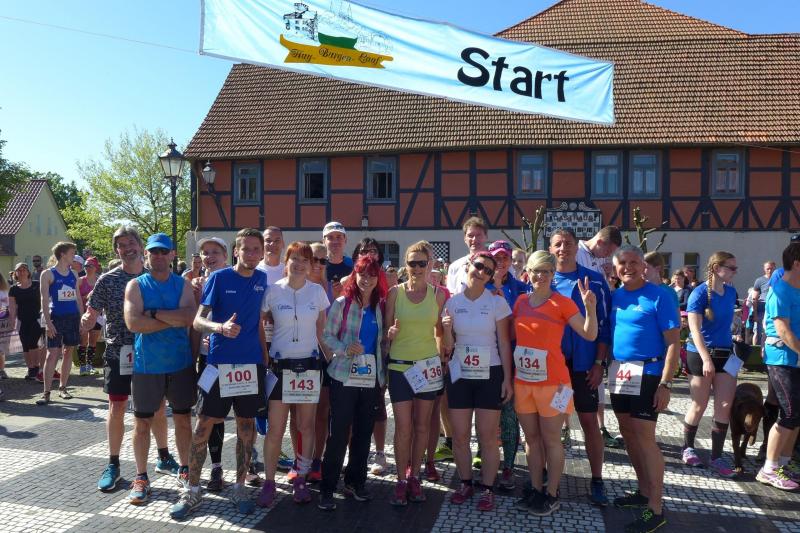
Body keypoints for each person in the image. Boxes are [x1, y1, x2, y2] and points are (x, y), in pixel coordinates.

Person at [171, 228, 269, 519]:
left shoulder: (262, 279)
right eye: (246, 248)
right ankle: (192, 489)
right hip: (219, 364)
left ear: (262, 252)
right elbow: (198, 321)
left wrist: (264, 360)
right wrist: (220, 328)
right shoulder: (219, 278)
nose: (251, 254)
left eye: (256, 249)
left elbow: (258, 322)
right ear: (236, 251)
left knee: (246, 428)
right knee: (203, 426)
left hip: (250, 366)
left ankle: (240, 487)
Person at [82, 226, 181, 491]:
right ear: (117, 250)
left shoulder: (154, 277)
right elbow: (92, 310)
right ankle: (113, 464)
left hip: (151, 353)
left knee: (157, 407)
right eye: (122, 245)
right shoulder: (107, 280)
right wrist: (87, 318)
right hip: (118, 352)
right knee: (116, 408)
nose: (127, 249)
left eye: (131, 243)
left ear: (140, 246)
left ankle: (163, 456)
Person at [512, 251, 597, 516]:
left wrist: (590, 309)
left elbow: (589, 334)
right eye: (535, 270)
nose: (540, 276)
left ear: (552, 275)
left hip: (554, 384)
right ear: (528, 272)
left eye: (546, 271)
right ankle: (536, 489)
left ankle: (552, 493)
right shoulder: (520, 302)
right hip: (524, 382)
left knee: (551, 440)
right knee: (531, 439)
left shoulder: (562, 303)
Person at [609, 245, 680, 533]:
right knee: (627, 433)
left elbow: (673, 342)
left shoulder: (659, 295)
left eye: (634, 262)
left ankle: (656, 508)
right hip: (620, 372)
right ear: (616, 268)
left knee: (645, 438)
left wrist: (666, 383)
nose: (628, 267)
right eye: (623, 263)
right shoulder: (615, 296)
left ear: (643, 266)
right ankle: (642, 491)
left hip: (649, 372)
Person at [123, 233, 196, 505]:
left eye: (164, 251)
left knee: (183, 420)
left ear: (172, 254)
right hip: (147, 365)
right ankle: (141, 476)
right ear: (147, 254)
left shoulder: (183, 284)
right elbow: (134, 323)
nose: (159, 256)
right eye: (154, 252)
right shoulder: (136, 285)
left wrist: (153, 313)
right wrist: (172, 319)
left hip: (179, 363)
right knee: (142, 423)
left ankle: (186, 469)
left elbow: (189, 317)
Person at [258, 242, 330, 507]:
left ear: (310, 265)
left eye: (305, 260)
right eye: (294, 259)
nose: (299, 264)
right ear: (286, 262)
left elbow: (322, 331)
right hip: (280, 366)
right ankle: (269, 482)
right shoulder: (273, 291)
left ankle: (301, 477)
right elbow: (260, 323)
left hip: (308, 366)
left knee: (306, 426)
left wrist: (334, 359)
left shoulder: (317, 292)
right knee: (275, 428)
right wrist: (264, 355)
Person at [442, 251, 513, 511]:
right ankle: (465, 483)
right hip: (460, 374)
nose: (482, 273)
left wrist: (507, 379)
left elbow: (504, 343)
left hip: (490, 373)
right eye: (479, 266)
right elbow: (447, 346)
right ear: (469, 266)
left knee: (487, 436)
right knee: (460, 436)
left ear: (492, 277)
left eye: (488, 271)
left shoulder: (497, 302)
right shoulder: (452, 303)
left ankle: (488, 488)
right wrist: (446, 330)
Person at [318, 255, 388, 510]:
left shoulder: (379, 306)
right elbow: (327, 336)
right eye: (362, 274)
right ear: (355, 275)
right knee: (338, 434)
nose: (367, 279)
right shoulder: (342, 304)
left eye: (372, 275)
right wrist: (345, 349)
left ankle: (355, 482)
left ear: (377, 277)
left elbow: (380, 342)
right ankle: (327, 488)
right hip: (344, 376)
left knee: (363, 432)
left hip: (370, 378)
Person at [548, 229, 612, 506]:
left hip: (584, 367)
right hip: (554, 368)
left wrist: (599, 363)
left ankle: (597, 479)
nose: (563, 248)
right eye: (558, 244)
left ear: (577, 247)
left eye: (568, 244)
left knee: (588, 422)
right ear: (550, 249)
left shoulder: (594, 280)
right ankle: (549, 477)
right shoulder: (543, 279)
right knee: (552, 423)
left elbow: (605, 327)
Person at [385, 241, 446, 506]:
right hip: (399, 367)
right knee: (403, 427)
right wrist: (389, 334)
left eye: (422, 263)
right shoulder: (394, 294)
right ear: (406, 265)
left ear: (430, 264)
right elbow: (385, 332)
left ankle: (415, 476)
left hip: (427, 368)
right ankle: (401, 479)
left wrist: (444, 352)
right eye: (412, 263)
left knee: (422, 426)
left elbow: (441, 332)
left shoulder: (439, 295)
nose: (417, 268)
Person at [682, 252, 740, 477]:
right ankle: (688, 447)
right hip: (700, 354)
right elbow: (694, 330)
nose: (735, 271)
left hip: (725, 353)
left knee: (724, 405)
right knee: (700, 403)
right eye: (731, 267)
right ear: (716, 268)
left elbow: (728, 321)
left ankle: (716, 456)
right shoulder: (699, 293)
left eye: (735, 268)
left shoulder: (731, 291)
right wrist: (706, 359)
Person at [484, 240, 530, 490]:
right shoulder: (480, 285)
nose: (500, 262)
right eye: (496, 258)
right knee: (486, 414)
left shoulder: (521, 289)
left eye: (504, 257)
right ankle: (485, 458)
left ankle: (509, 466)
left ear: (511, 260)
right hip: (484, 358)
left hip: (512, 359)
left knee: (510, 416)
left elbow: (525, 324)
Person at [757, 242, 800, 490]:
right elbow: (782, 329)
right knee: (789, 413)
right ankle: (769, 469)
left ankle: (783, 463)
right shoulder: (780, 291)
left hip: (795, 359)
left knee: (797, 414)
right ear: (797, 263)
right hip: (782, 358)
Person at [575, 226, 622, 448]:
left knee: (595, 385)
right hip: (575, 326)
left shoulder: (601, 260)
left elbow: (605, 292)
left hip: (596, 328)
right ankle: (565, 428)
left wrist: (608, 276)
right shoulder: (576, 252)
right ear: (600, 242)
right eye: (608, 251)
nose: (608, 256)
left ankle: (600, 427)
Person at [189, 236, 229, 492]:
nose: (209, 256)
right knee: (206, 414)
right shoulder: (196, 283)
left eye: (215, 252)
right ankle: (212, 467)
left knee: (226, 416)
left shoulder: (233, 279)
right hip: (207, 359)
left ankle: (234, 467)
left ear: (226, 255)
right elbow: (194, 322)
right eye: (205, 252)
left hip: (232, 358)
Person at [38, 241, 84, 404]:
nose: (74, 257)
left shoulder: (74, 274)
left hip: (72, 318)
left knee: (68, 352)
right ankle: (46, 393)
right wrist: (48, 323)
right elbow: (44, 300)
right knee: (52, 354)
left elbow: (78, 298)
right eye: (72, 253)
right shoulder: (48, 274)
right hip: (56, 318)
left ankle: (63, 388)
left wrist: (82, 318)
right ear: (63, 254)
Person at [8, 263, 44, 381]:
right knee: (25, 345)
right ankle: (30, 368)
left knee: (33, 342)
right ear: (16, 273)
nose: (22, 272)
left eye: (24, 269)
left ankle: (36, 367)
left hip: (37, 319)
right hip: (22, 320)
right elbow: (12, 307)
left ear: (28, 272)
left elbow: (45, 299)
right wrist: (12, 321)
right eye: (19, 270)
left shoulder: (36, 285)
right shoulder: (13, 289)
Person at [446, 217, 489, 295]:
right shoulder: (454, 266)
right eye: (470, 235)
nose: (474, 239)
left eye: (478, 235)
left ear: (486, 237)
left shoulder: (497, 265)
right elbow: (451, 295)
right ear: (465, 239)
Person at [77, 256, 102, 376]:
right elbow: (75, 298)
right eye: (85, 265)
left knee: (93, 341)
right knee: (83, 341)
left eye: (90, 265)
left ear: (95, 267)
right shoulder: (80, 281)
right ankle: (82, 367)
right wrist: (87, 296)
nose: (87, 268)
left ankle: (90, 365)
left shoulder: (100, 281)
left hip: (97, 315)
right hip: (83, 315)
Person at [323, 221, 353, 299]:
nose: (335, 241)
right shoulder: (319, 266)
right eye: (330, 237)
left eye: (339, 237)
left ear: (345, 240)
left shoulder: (353, 265)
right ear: (324, 241)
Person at [752, 261, 777, 345]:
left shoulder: (780, 280)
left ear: (775, 268)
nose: (770, 271)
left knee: (771, 332)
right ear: (764, 269)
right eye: (768, 269)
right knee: (758, 332)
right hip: (762, 308)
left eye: (771, 268)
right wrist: (755, 314)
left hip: (774, 309)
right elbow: (754, 298)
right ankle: (755, 350)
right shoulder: (759, 280)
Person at [0, 273, 10, 384]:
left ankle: (2, 370)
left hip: (2, 321)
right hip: (3, 321)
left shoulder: (4, 291)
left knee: (1, 348)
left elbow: (7, 306)